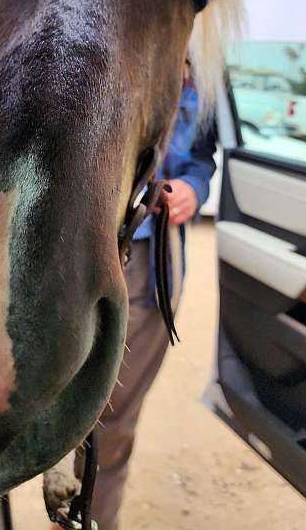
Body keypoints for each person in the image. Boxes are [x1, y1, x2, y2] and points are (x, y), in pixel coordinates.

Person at [90, 63, 217, 530]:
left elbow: (203, 155)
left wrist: (193, 189)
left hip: (148, 259)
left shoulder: (206, 63)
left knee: (114, 414)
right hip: (72, 249)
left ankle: (91, 519)